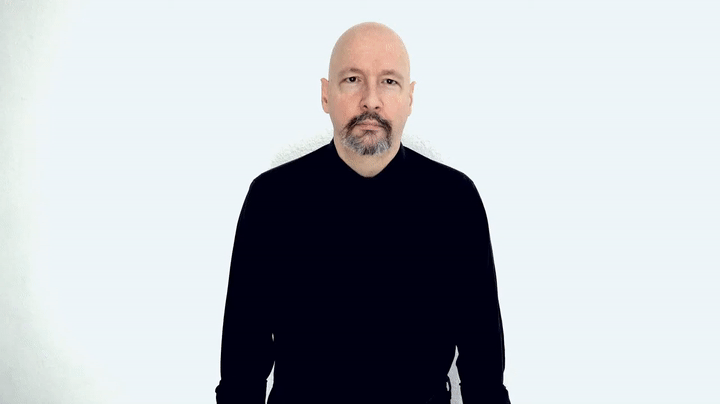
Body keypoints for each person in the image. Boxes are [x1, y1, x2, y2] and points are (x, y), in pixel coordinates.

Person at [215, 22, 511, 404]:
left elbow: (485, 375)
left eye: (389, 82)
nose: (371, 100)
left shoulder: (456, 203)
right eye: (353, 79)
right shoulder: (271, 201)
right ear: (326, 94)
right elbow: (241, 373)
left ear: (409, 98)